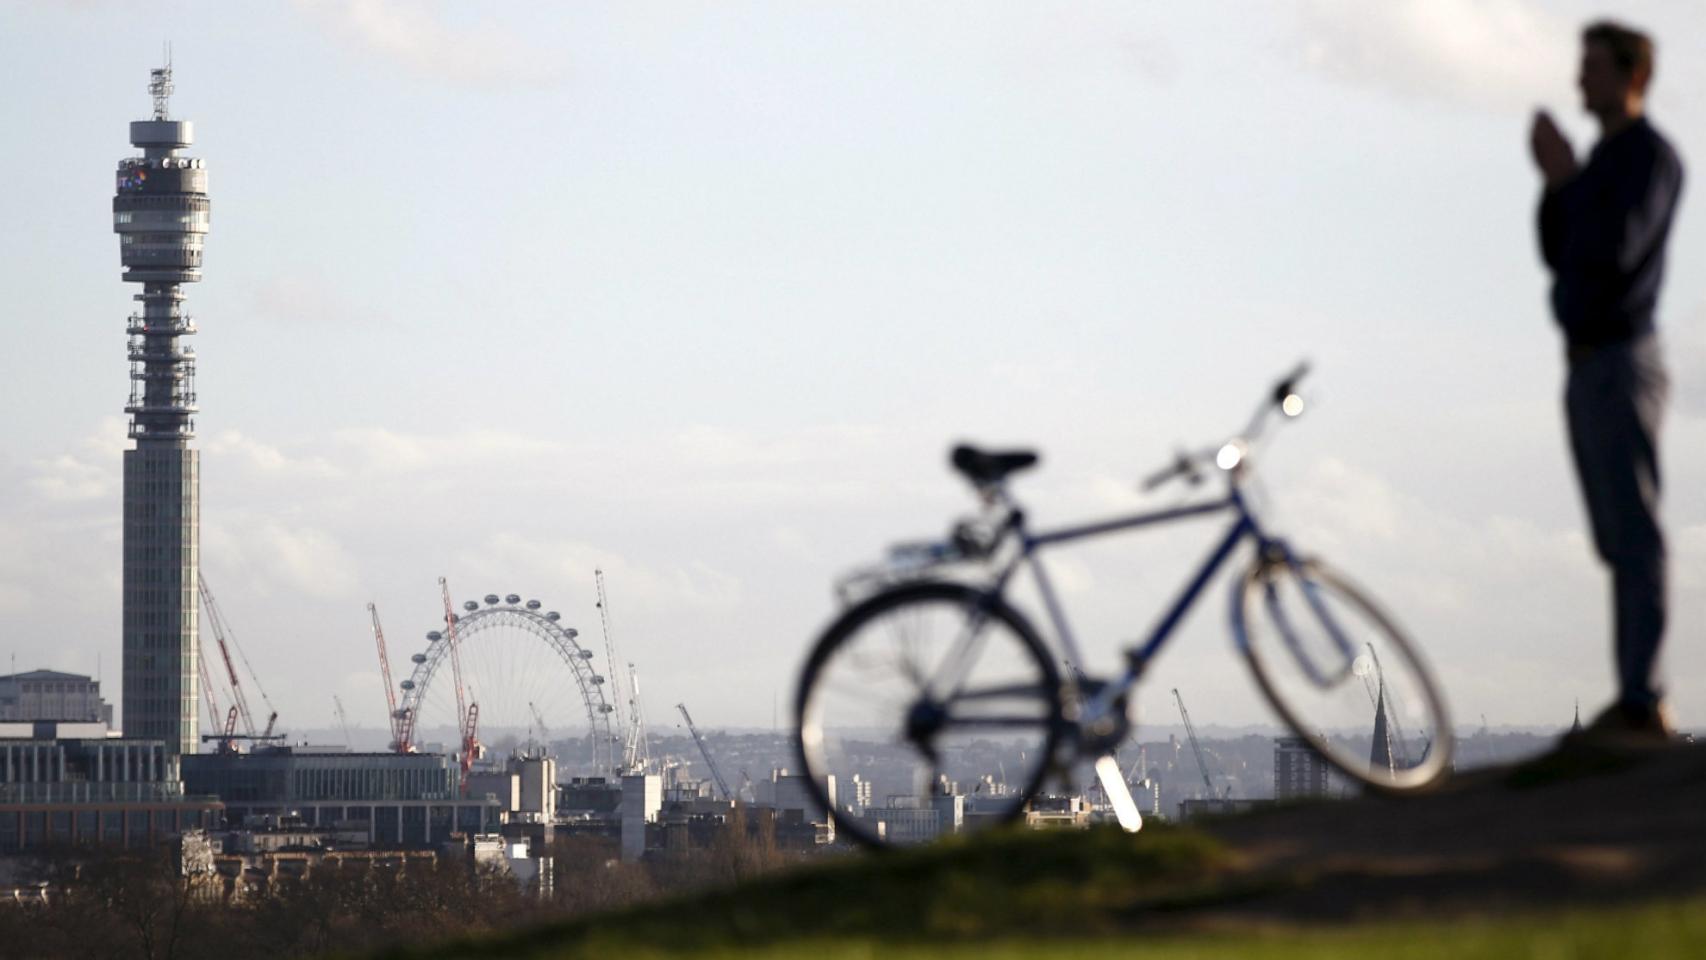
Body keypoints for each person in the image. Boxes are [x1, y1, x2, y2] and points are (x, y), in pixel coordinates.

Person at [1530, 21, 1684, 740]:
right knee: (1612, 533)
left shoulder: (1649, 160)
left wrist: (1564, 181)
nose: (1579, 80)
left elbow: (1614, 250)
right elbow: (1561, 253)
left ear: (1632, 75)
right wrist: (1560, 184)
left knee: (1633, 531)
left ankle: (1641, 697)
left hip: (1623, 360)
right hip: (1588, 364)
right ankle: (1633, 694)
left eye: (1591, 66)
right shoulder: (1602, 166)